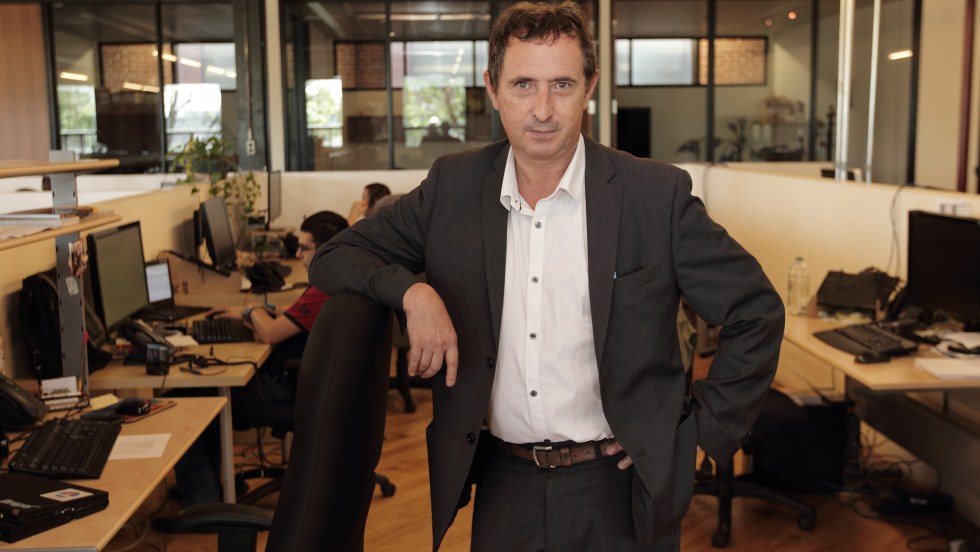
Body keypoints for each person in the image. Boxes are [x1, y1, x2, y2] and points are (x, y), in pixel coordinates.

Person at [302, 2, 783, 550]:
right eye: (523, 84)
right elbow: (335, 256)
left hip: (621, 484)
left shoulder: (655, 196)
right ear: (492, 87)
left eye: (562, 85)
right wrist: (413, 291)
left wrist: (700, 431)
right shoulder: (452, 188)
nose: (543, 110)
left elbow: (756, 310)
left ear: (590, 86)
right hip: (504, 482)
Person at [169, 210, 349, 506]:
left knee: (188, 398)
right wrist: (249, 311)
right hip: (304, 384)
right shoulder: (338, 277)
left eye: (304, 248)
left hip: (286, 389)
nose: (297, 254)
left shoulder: (325, 287)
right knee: (200, 391)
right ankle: (207, 486)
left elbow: (269, 334)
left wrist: (252, 311)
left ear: (326, 250)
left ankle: (203, 500)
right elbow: (291, 314)